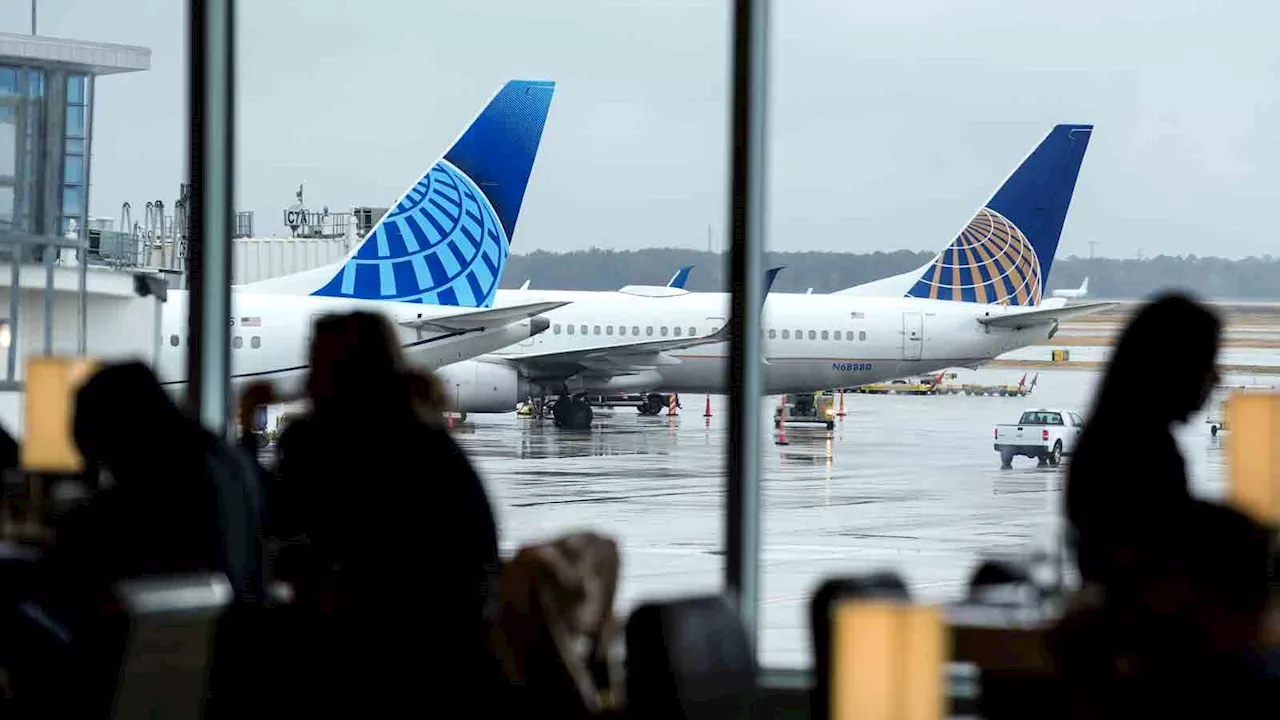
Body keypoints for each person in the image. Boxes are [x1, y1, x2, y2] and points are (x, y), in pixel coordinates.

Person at [270, 311, 501, 709]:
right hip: (452, 655)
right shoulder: (435, 446)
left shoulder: (318, 442)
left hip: (364, 651)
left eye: (314, 360)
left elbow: (280, 537)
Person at [1061, 293, 1275, 711]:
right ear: (1173, 368)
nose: (1216, 379)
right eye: (1208, 363)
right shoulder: (1136, 454)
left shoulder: (1117, 443)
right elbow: (1165, 551)